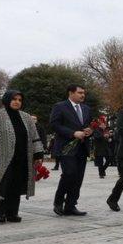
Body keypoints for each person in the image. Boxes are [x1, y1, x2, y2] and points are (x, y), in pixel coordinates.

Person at [0, 90, 45, 223]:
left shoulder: (26, 117)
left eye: (20, 100)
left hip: (22, 158)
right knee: (3, 184)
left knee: (17, 185)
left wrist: (38, 154)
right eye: (14, 99)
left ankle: (13, 213)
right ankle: (1, 212)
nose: (17, 102)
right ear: (7, 100)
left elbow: (35, 137)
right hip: (2, 158)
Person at [49, 84, 92, 216]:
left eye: (83, 93)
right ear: (70, 93)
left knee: (78, 177)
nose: (82, 95)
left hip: (82, 148)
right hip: (66, 148)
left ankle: (71, 205)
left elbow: (88, 125)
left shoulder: (86, 108)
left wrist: (90, 131)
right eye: (80, 92)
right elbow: (54, 124)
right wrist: (73, 133)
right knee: (69, 174)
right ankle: (58, 201)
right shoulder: (60, 106)